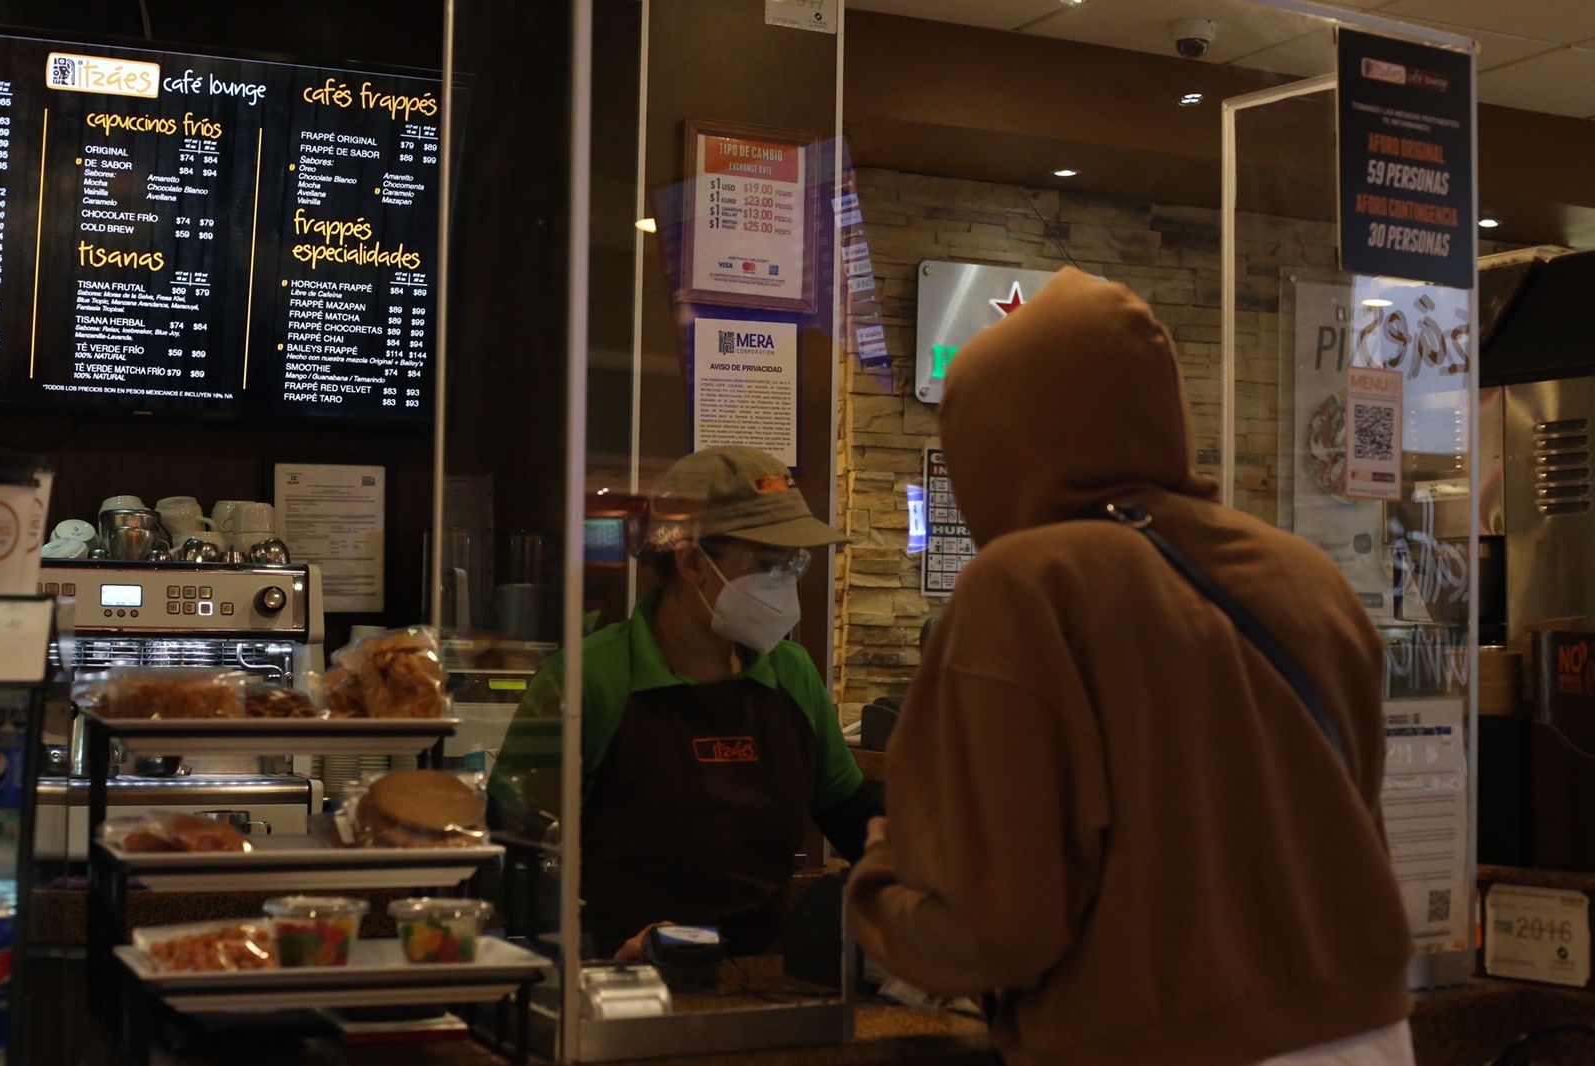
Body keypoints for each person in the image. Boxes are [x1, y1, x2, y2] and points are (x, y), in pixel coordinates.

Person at [847, 269, 1414, 1066]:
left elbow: (997, 927)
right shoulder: (1305, 576)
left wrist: (879, 878)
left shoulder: (1027, 586)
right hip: (1371, 1033)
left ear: (992, 441)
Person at [491, 445, 879, 958]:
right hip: (622, 982)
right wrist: (582, 954)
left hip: (764, 981)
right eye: (767, 561)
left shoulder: (793, 674)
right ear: (693, 561)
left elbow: (856, 821)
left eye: (795, 562)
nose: (787, 580)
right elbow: (505, 852)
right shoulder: (587, 680)